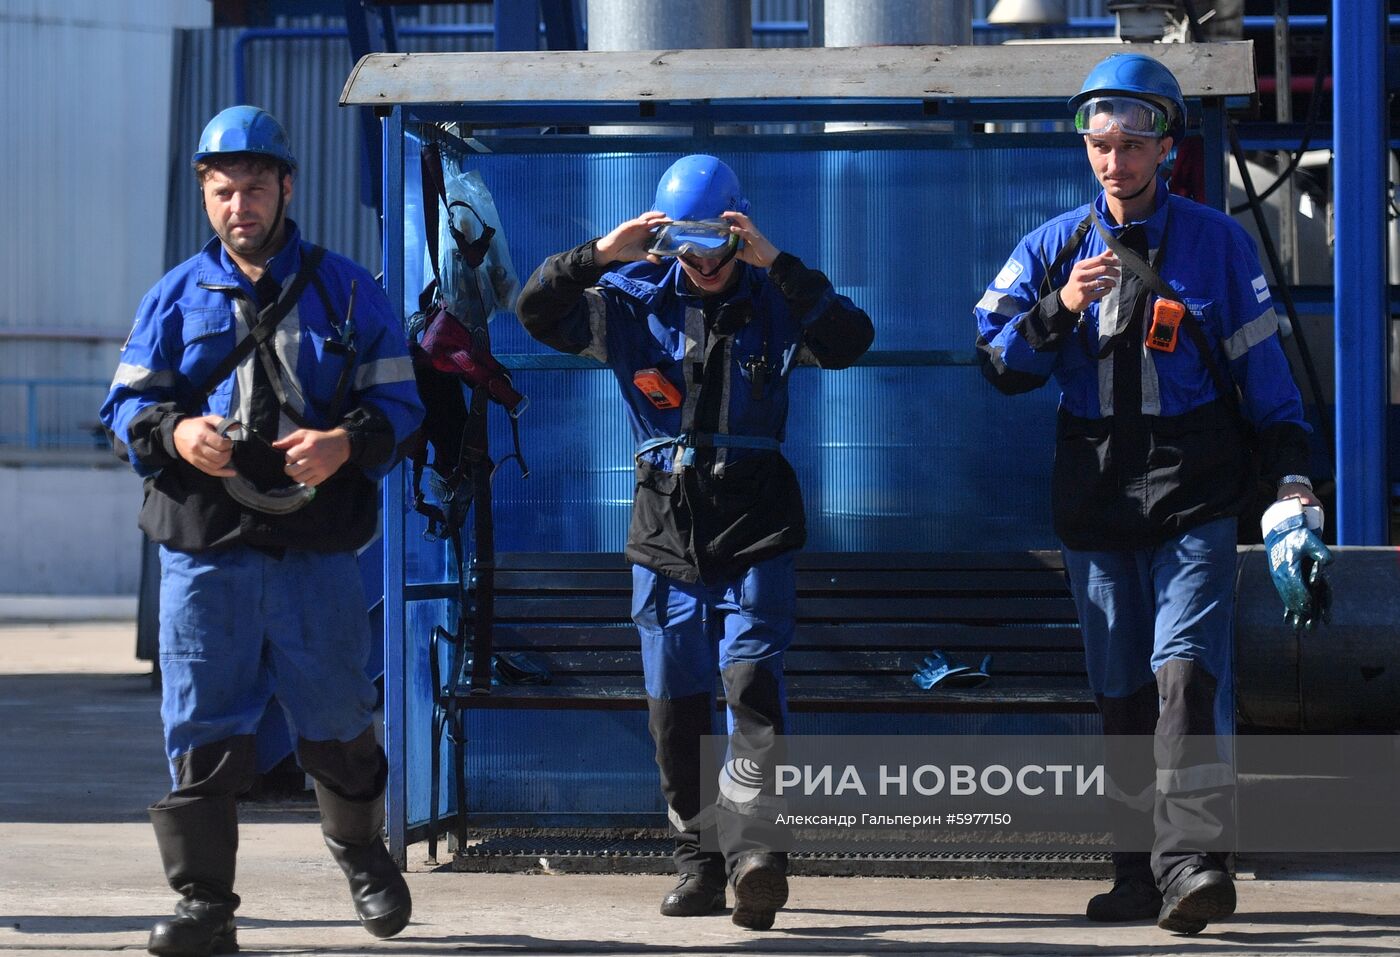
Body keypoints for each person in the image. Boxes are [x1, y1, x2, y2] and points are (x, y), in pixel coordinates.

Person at [974, 54, 1331, 935]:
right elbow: (995, 357)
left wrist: (1292, 481)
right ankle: (1135, 874)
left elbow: (1267, 378)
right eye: (1100, 143)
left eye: (1132, 142)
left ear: (1166, 145)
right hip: (1096, 501)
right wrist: (1058, 306)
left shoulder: (1217, 242)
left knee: (1183, 677)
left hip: (1192, 496)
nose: (1113, 159)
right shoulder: (1053, 246)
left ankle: (1193, 863)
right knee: (1123, 692)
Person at [515, 155, 873, 930]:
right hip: (666, 531)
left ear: (739, 232)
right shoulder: (628, 301)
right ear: (661, 235)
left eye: (716, 238)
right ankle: (699, 861)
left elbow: (850, 339)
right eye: (684, 239)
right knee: (676, 710)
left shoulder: (776, 299)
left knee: (749, 689)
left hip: (756, 524)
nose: (702, 259)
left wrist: (780, 263)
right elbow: (536, 311)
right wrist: (598, 254)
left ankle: (757, 856)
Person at [100, 106, 424, 957]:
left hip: (315, 551)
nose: (238, 204)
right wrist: (176, 434)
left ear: (286, 186)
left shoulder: (352, 291)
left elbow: (403, 406)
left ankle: (361, 853)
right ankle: (205, 904)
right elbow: (125, 405)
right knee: (202, 725)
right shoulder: (172, 297)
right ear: (204, 197)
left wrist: (344, 441)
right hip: (204, 550)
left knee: (339, 719)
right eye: (221, 190)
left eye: (252, 186)